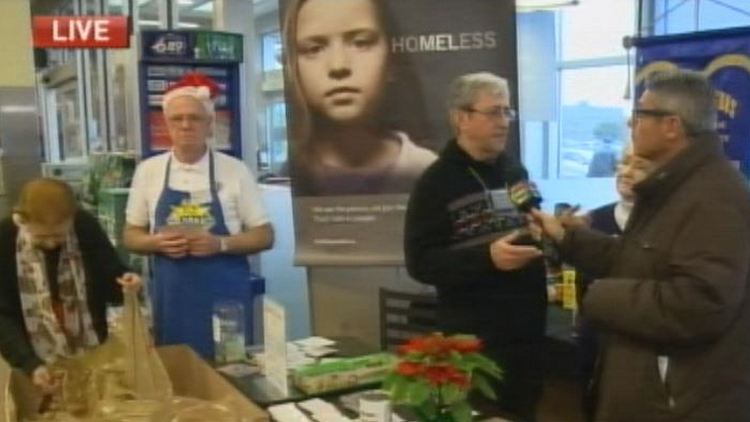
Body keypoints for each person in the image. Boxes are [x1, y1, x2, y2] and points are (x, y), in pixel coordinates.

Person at [532, 70, 750, 421]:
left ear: (672, 126)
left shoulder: (713, 197)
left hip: (677, 402)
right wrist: (566, 237)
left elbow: (699, 305)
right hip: (655, 393)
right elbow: (638, 259)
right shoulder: (675, 187)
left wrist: (598, 294)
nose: (631, 125)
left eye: (639, 116)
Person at [404, 72, 547, 421]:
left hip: (527, 330)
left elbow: (532, 215)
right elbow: (421, 263)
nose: (504, 123)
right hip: (475, 339)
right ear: (462, 118)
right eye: (494, 112)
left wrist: (548, 228)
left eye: (508, 112)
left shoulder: (514, 168)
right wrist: (487, 257)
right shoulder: (435, 183)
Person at [124, 72, 274, 359]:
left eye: (194, 118)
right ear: (166, 124)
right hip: (173, 299)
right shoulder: (149, 171)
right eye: (177, 119)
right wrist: (157, 243)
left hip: (226, 297)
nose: (185, 125)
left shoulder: (235, 170)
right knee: (177, 373)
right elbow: (131, 235)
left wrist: (221, 244)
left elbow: (265, 235)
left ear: (209, 124)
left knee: (231, 372)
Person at [0, 178, 141, 394]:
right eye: (41, 237)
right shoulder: (5, 237)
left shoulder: (85, 227)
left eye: (59, 236)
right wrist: (29, 364)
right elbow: (2, 314)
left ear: (71, 219)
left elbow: (111, 276)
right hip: (27, 349)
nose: (50, 243)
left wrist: (127, 281)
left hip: (89, 348)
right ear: (23, 220)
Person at [282, 0, 437, 196]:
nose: (338, 65)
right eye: (315, 49)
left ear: (392, 57)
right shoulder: (285, 180)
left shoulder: (429, 172)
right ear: (293, 67)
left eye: (361, 42)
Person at [573, 144, 654, 421]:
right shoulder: (592, 220)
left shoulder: (668, 225)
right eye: (623, 163)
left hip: (642, 342)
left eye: (640, 166)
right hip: (595, 338)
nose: (626, 172)